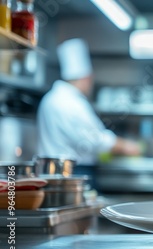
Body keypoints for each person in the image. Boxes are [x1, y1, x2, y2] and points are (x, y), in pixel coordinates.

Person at [37, 38, 141, 186]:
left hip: (51, 171)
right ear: (86, 78)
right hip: (74, 172)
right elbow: (95, 140)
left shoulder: (50, 98)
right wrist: (126, 146)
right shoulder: (72, 102)